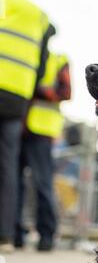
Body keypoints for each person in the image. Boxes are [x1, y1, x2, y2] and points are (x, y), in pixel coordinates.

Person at [0, 0, 50, 253]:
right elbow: (41, 64)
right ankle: (5, 236)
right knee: (8, 166)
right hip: (18, 97)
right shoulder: (38, 15)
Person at [15, 33, 71, 251]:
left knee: (42, 183)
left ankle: (47, 235)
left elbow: (65, 92)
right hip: (18, 128)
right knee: (14, 183)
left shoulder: (58, 59)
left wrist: (38, 90)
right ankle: (16, 233)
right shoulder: (24, 58)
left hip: (41, 130)